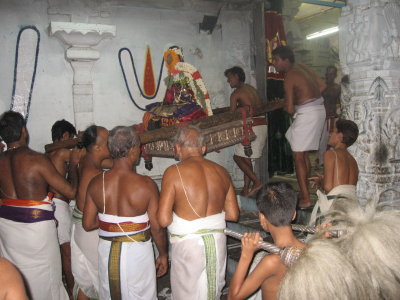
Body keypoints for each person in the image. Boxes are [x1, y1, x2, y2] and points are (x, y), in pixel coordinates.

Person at [0, 111, 80, 300]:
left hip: (7, 230)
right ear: (24, 131)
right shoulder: (37, 160)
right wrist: (74, 166)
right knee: (47, 279)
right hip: (37, 231)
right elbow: (70, 192)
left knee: (17, 273)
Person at [83, 126, 168, 299]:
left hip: (107, 252)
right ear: (131, 150)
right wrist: (164, 254)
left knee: (111, 292)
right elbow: (157, 228)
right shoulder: (146, 185)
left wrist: (114, 226)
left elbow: (88, 223)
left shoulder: (96, 183)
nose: (140, 149)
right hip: (138, 255)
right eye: (138, 146)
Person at [158, 125, 239, 300]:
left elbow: (163, 220)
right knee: (212, 292)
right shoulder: (222, 172)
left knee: (185, 293)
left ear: (177, 148)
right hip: (217, 243)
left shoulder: (173, 172)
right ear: (203, 149)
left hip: (188, 246)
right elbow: (232, 214)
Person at [228, 182, 305, 300]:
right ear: (294, 214)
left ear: (262, 218)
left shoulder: (271, 262)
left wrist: (246, 255)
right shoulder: (311, 249)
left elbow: (233, 297)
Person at [271, 46, 326, 209]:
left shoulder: (289, 76)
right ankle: (304, 193)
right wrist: (303, 97)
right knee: (303, 155)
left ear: (285, 60)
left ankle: (306, 199)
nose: (274, 64)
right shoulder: (303, 68)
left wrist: (286, 103)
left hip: (307, 113)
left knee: (298, 157)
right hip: (318, 110)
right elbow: (322, 86)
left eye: (276, 60)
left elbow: (288, 108)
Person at [70, 125, 110, 300]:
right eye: (109, 142)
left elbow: (114, 162)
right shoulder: (94, 174)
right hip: (89, 232)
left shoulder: (86, 159)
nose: (112, 144)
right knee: (102, 278)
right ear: (98, 148)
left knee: (85, 280)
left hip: (79, 229)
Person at [225, 66, 267, 197]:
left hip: (250, 128)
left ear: (237, 77)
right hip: (262, 125)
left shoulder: (236, 94)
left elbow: (231, 115)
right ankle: (245, 189)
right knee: (247, 160)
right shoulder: (251, 89)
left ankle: (257, 182)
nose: (228, 81)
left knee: (237, 157)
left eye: (230, 78)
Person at [308, 119, 359, 225]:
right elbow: (344, 185)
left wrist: (321, 182)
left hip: (334, 207)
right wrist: (323, 178)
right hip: (351, 207)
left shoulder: (331, 154)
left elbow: (328, 187)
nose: (330, 134)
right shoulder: (353, 160)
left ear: (340, 136)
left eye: (333, 131)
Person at [48, 119, 77, 298]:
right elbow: (81, 158)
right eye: (71, 137)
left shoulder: (47, 154)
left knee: (60, 251)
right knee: (67, 252)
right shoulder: (62, 153)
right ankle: (73, 292)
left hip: (50, 204)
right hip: (59, 204)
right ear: (65, 136)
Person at [315, 66, 341, 169]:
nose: (329, 75)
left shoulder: (337, 87)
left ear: (335, 75)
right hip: (322, 116)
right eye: (328, 73)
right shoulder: (321, 86)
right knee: (322, 140)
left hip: (332, 116)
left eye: (331, 73)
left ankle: (327, 161)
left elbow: (340, 102)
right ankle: (322, 160)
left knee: (331, 139)